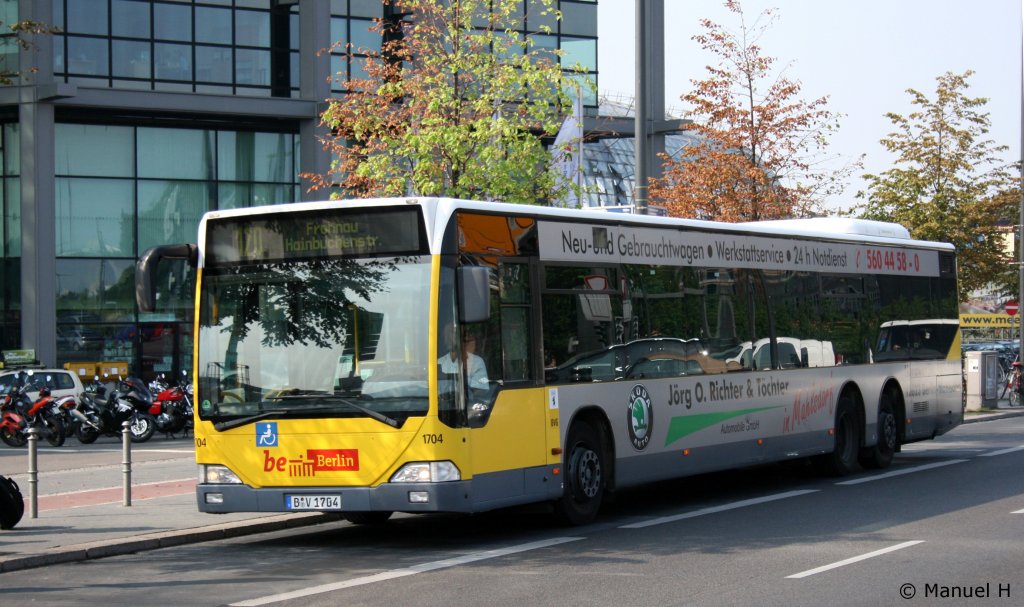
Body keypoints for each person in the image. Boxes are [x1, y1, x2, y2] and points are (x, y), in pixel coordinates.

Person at [438, 326, 489, 395]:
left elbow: (481, 391)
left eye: (452, 332)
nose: (447, 338)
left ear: (461, 336)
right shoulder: (439, 362)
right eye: (446, 334)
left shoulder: (477, 362)